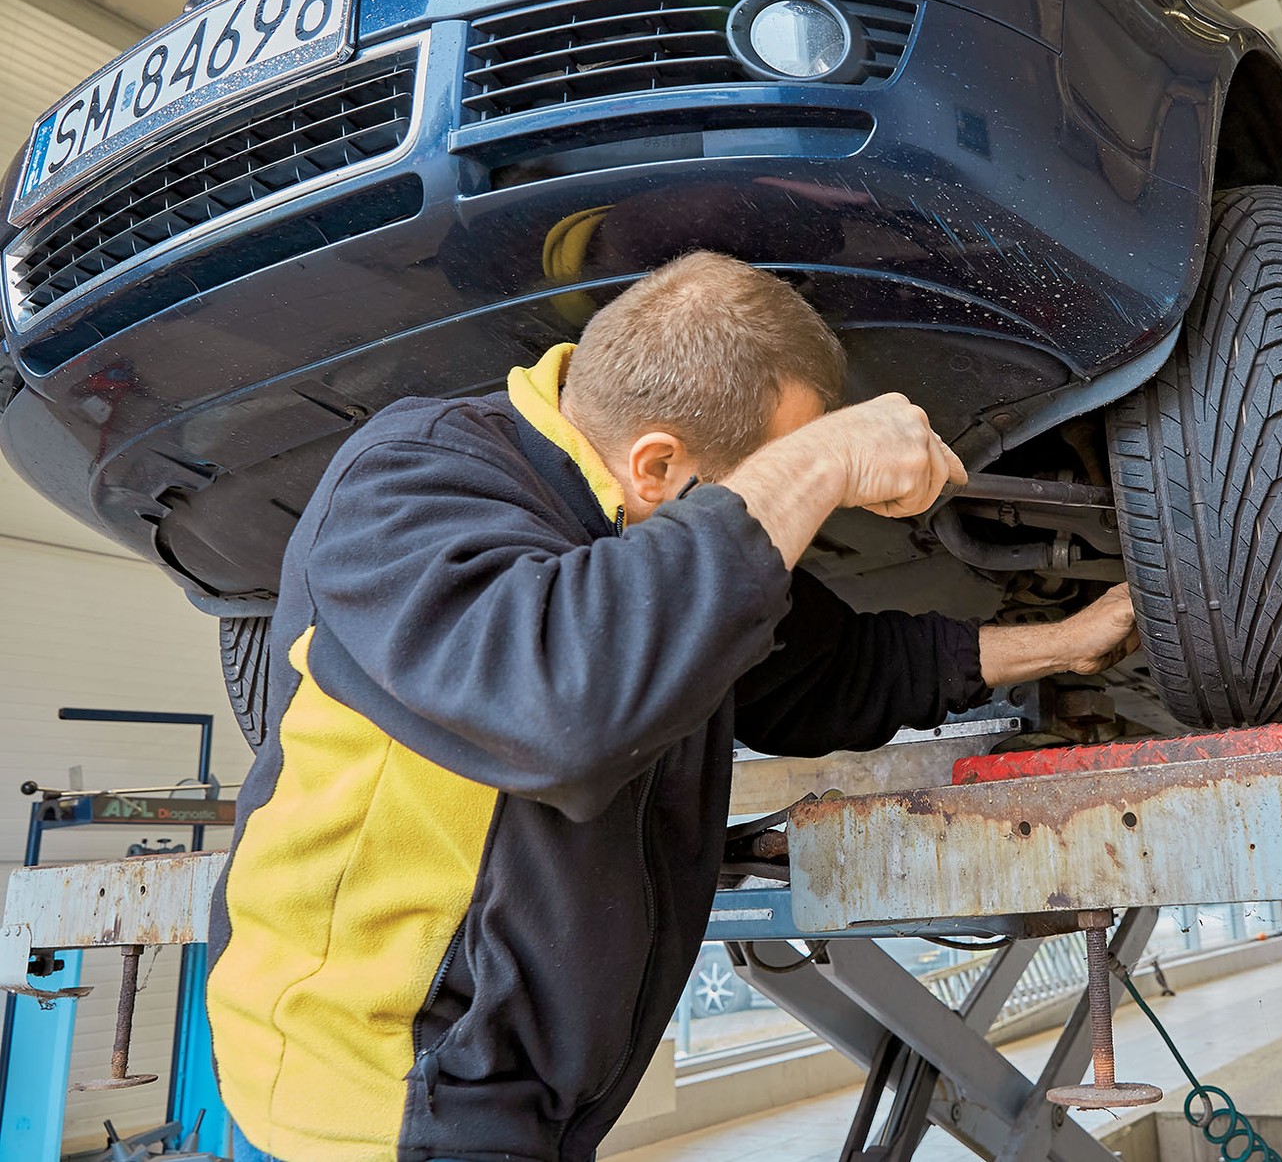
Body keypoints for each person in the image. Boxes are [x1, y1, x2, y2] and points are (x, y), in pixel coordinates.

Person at [205, 252, 1141, 1161]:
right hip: (382, 1087)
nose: (787, 526)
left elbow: (830, 670)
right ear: (654, 467)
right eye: (754, 487)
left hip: (503, 1095)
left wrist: (1067, 640)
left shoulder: (642, 546)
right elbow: (562, 715)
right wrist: (816, 465)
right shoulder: (410, 484)